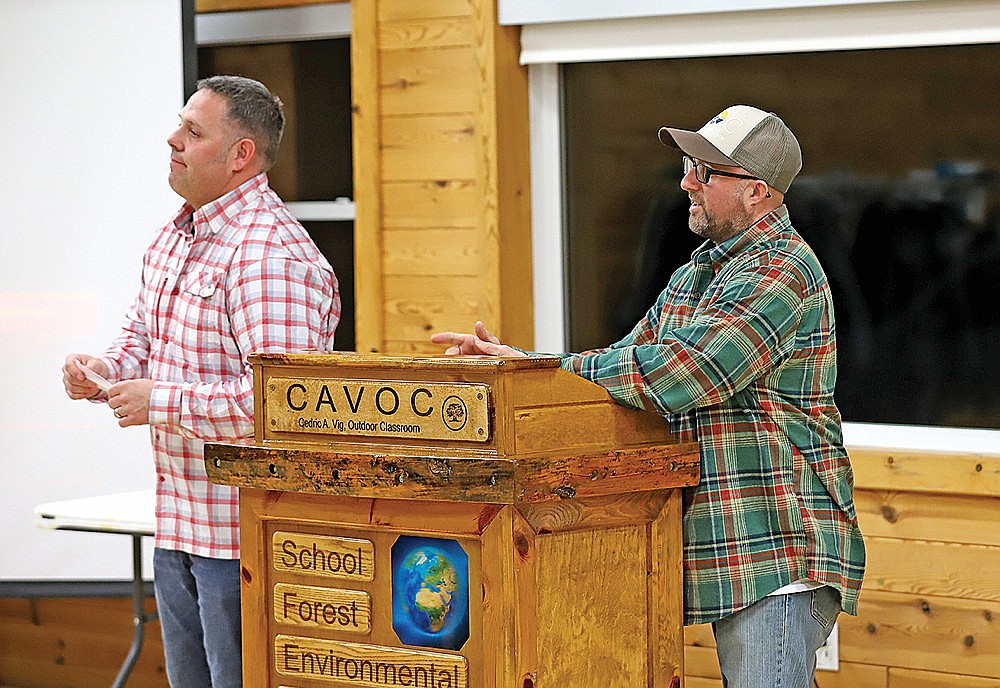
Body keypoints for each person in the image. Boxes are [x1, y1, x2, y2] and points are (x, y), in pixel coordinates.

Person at [432, 105, 866, 688]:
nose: (686, 181)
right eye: (689, 165)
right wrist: (527, 370)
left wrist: (553, 368)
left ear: (758, 192)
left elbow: (678, 376)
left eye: (706, 172)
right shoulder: (700, 272)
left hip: (778, 547)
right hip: (732, 547)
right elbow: (627, 368)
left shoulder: (782, 272)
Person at [62, 75, 341, 687]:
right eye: (179, 126)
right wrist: (105, 371)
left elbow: (281, 406)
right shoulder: (173, 236)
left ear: (241, 156)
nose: (172, 139)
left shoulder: (270, 255)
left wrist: (157, 401)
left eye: (193, 132)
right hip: (178, 525)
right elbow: (142, 338)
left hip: (244, 541)